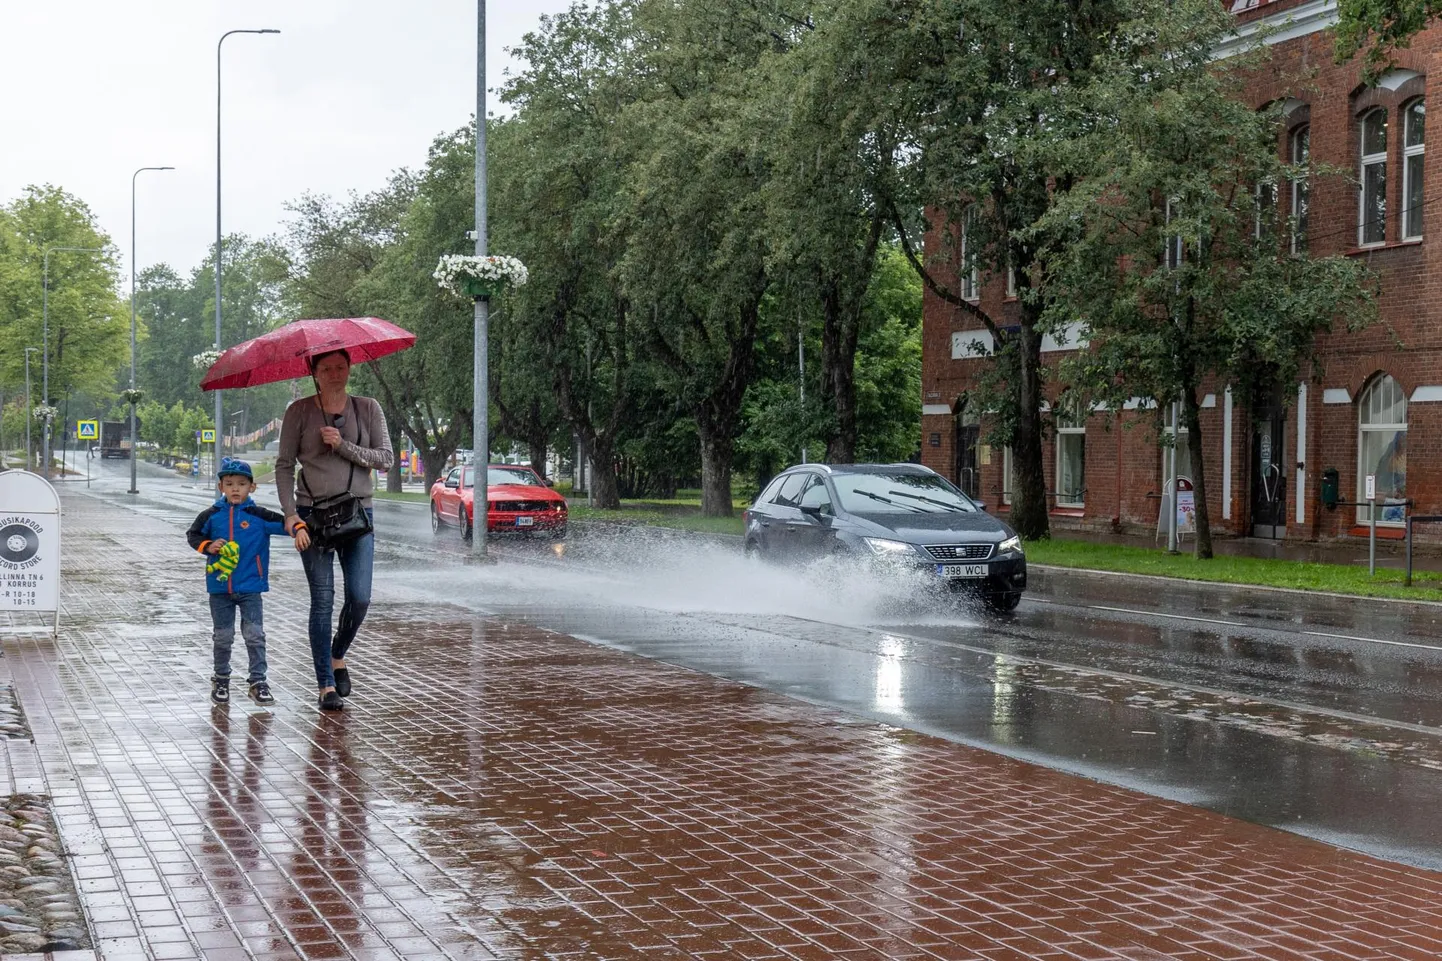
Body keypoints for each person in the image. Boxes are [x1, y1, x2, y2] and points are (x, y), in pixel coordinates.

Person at [275, 349, 394, 712]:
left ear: (350, 368)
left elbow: (385, 459)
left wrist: (343, 446)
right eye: (326, 369)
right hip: (313, 518)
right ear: (314, 373)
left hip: (358, 515)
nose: (334, 374)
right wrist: (291, 515)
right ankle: (326, 685)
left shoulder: (368, 408)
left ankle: (337, 653)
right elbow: (283, 466)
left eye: (340, 367)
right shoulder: (298, 411)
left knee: (360, 597)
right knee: (322, 601)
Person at [186, 457, 309, 705]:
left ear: (252, 488)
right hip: (219, 588)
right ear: (221, 487)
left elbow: (286, 523)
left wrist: (300, 529)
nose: (235, 489)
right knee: (223, 636)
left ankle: (258, 681)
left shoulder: (258, 515)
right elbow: (193, 535)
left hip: (251, 587)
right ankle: (221, 679)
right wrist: (208, 546)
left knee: (254, 635)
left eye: (241, 484)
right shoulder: (211, 515)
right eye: (229, 483)